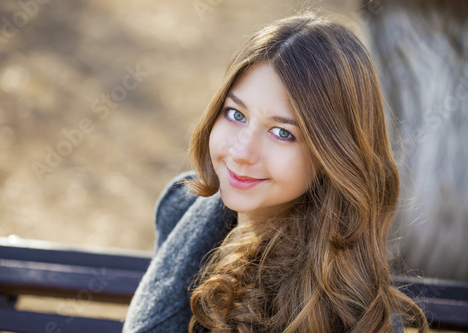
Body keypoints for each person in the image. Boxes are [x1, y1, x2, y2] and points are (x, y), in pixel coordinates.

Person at [123, 13, 429, 333]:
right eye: (235, 113)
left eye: (282, 133)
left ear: (334, 154)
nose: (240, 152)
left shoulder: (346, 308)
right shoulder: (182, 208)